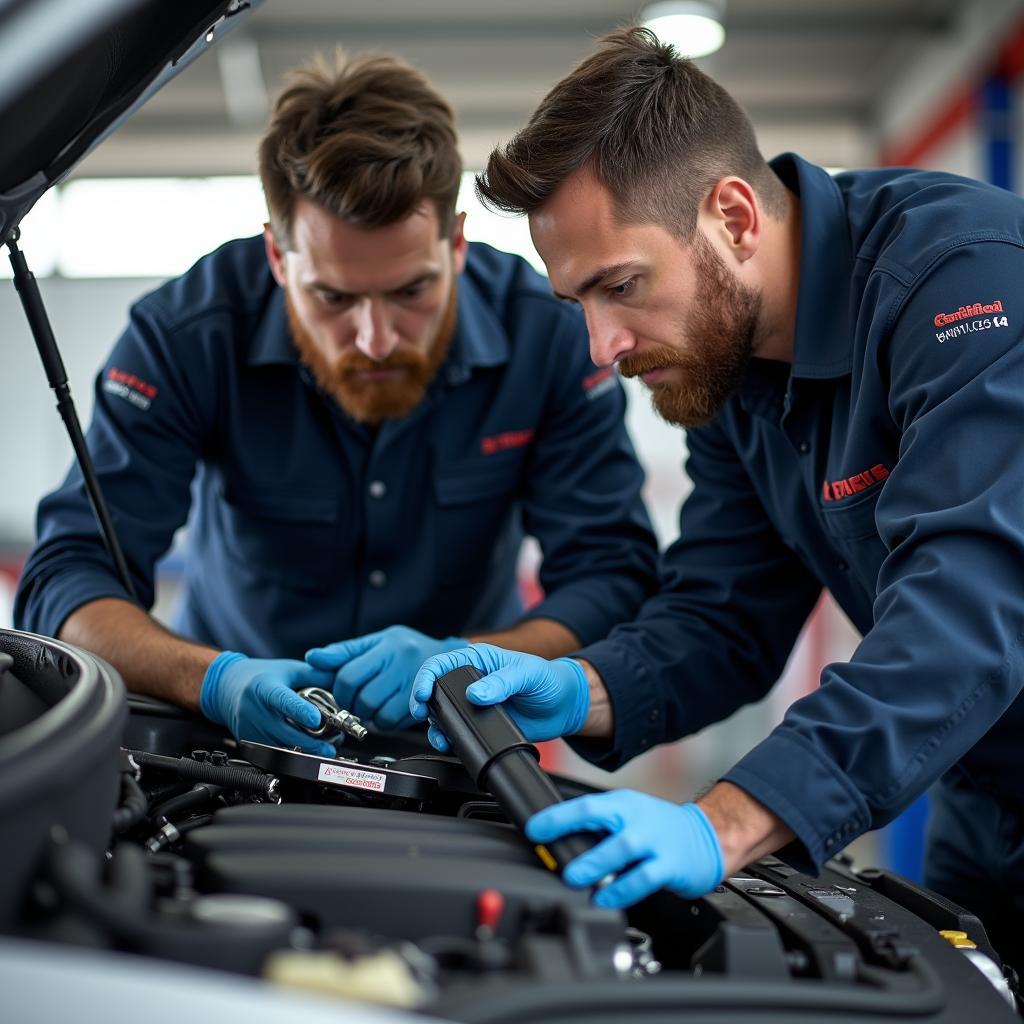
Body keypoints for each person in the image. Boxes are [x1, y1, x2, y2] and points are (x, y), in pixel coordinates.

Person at [410, 26, 1024, 972]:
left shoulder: (964, 285)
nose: (600, 349)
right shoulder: (731, 374)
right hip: (987, 797)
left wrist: (725, 824)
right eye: (580, 303)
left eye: (622, 285)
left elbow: (972, 607)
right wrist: (581, 690)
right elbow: (724, 617)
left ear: (734, 217)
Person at [14, 51, 658, 756]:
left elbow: (608, 574)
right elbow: (67, 578)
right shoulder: (186, 336)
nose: (375, 340)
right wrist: (213, 680)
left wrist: (472, 662)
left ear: (458, 245)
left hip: (463, 736)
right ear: (278, 258)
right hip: (227, 734)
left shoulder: (547, 339)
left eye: (412, 291)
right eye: (333, 297)